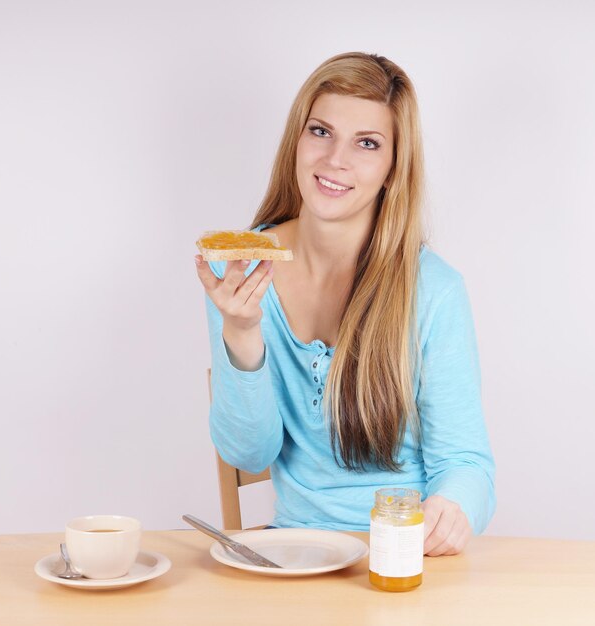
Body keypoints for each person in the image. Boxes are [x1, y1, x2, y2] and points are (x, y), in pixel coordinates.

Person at [195, 52, 495, 556]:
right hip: (293, 550)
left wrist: (453, 509)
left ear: (393, 169)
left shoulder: (434, 291)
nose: (335, 159)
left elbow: (466, 464)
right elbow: (248, 451)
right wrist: (241, 333)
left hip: (401, 554)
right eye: (320, 131)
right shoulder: (240, 269)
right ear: (297, 138)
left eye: (368, 143)